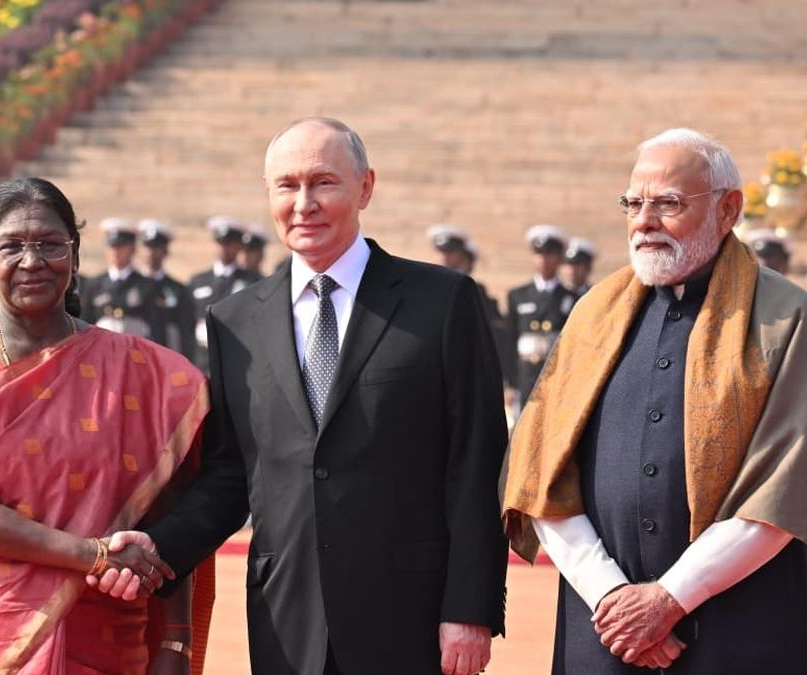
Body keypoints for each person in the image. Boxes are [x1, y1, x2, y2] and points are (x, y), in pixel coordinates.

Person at [93, 117, 509, 675]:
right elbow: (232, 476)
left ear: (365, 187)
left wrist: (470, 608)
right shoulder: (235, 322)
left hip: (412, 618)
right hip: (287, 622)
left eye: (324, 183)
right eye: (287, 185)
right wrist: (156, 548)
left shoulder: (442, 302)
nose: (304, 203)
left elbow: (475, 463)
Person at [503, 128, 807, 674]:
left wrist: (670, 599)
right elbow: (543, 472)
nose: (644, 221)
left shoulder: (791, 322)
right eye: (634, 203)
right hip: (605, 632)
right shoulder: (593, 315)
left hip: (738, 630)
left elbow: (785, 488)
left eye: (668, 203)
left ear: (728, 209)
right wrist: (611, 598)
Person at [0, 177, 212, 674]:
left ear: (74, 254)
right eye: (11, 246)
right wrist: (90, 555)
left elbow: (166, 508)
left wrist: (174, 643)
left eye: (50, 244)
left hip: (106, 623)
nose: (32, 261)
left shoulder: (139, 372)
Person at [428, 224, 510, 390]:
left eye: (450, 252)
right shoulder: (429, 288)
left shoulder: (474, 290)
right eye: (442, 252)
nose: (445, 258)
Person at [506, 224, 577, 407]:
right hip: (525, 375)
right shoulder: (518, 295)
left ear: (559, 258)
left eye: (549, 254)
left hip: (557, 375)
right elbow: (510, 339)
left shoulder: (571, 297)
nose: (544, 260)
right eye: (539, 254)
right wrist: (510, 384)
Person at [187, 216, 257, 373]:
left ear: (239, 246)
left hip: (238, 360)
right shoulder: (198, 281)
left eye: (229, 243)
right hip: (201, 360)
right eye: (220, 243)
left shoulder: (252, 282)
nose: (224, 248)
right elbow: (187, 321)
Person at [81, 217, 164, 342]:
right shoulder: (94, 285)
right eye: (112, 247)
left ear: (132, 250)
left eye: (121, 247)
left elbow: (156, 328)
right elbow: (85, 324)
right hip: (102, 349)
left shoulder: (147, 285)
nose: (116, 252)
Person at [140, 218, 196, 360]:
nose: (151, 253)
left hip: (165, 356)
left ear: (165, 251)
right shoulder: (134, 284)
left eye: (156, 248)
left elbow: (185, 330)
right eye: (148, 247)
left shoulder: (177, 289)